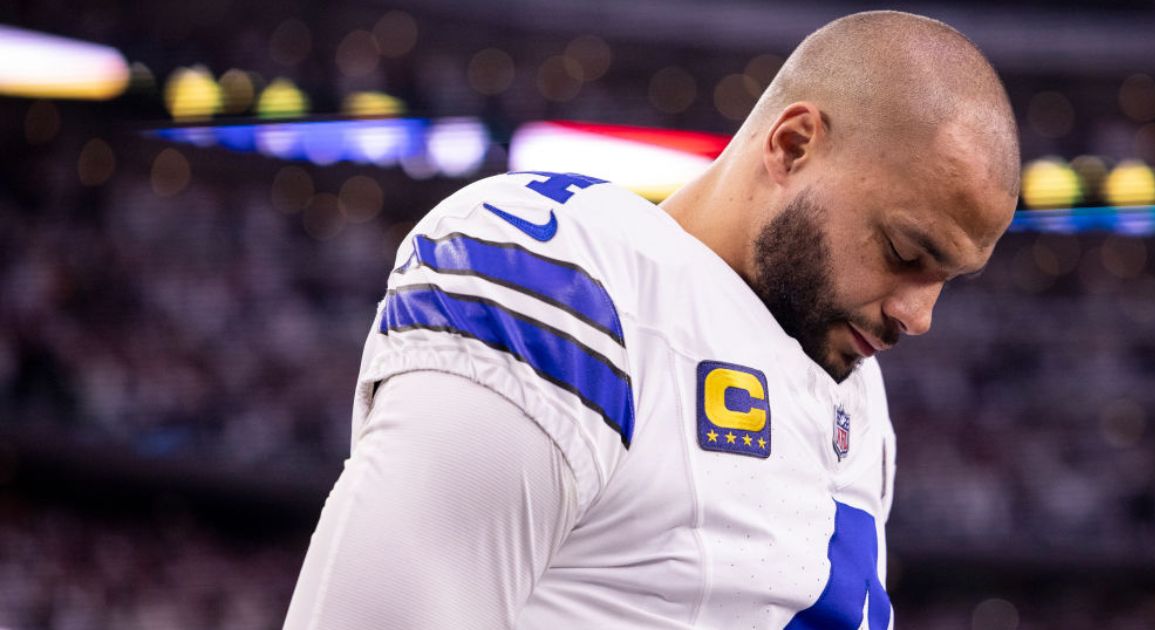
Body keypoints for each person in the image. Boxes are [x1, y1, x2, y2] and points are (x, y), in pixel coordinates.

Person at [284, 10, 1019, 629]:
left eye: (947, 281)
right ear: (793, 146)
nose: (917, 317)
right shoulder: (566, 277)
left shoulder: (855, 391)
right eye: (903, 252)